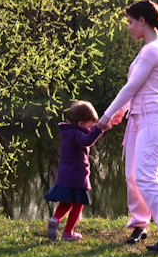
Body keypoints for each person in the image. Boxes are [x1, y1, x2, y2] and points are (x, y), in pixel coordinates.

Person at [97, 0, 158, 251]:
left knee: (146, 176)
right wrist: (120, 113)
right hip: (137, 119)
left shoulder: (153, 50)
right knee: (132, 176)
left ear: (142, 21)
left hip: (153, 120)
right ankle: (140, 223)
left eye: (130, 22)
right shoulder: (147, 49)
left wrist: (106, 115)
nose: (128, 28)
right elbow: (137, 91)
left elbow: (132, 87)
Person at [44, 100, 110, 241]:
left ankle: (55, 219)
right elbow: (86, 141)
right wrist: (99, 129)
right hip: (77, 175)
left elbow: (86, 137)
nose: (91, 129)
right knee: (78, 204)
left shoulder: (68, 133)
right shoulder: (77, 135)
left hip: (64, 175)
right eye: (90, 126)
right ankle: (68, 232)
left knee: (65, 203)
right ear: (80, 124)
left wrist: (98, 128)